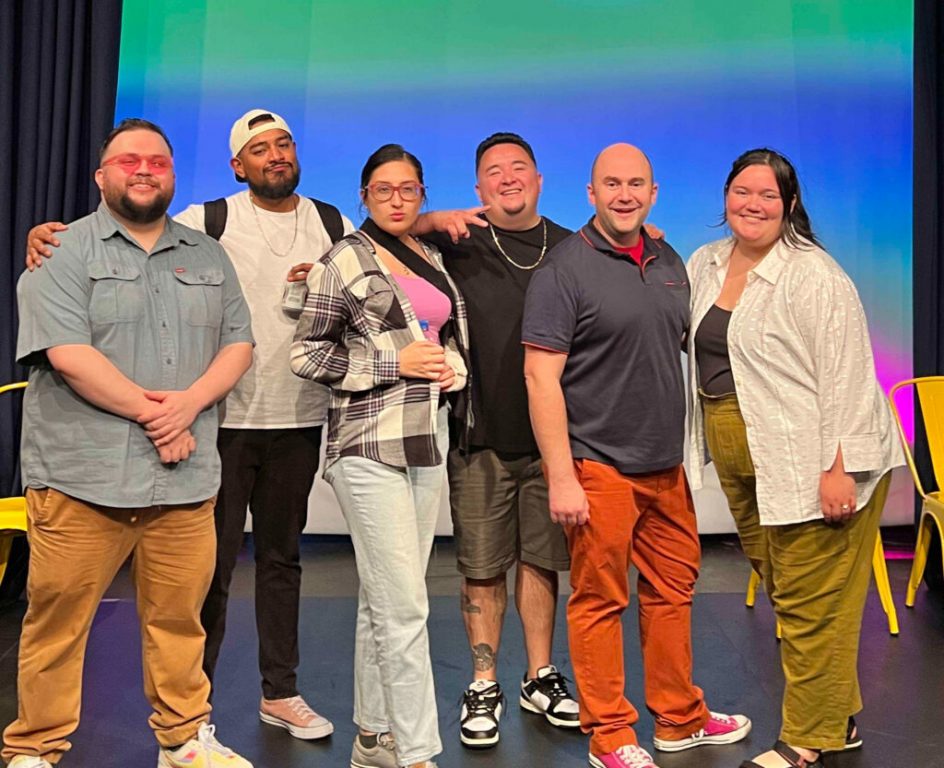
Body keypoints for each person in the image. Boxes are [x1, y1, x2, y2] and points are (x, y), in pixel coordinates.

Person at [24, 108, 353, 741]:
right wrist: (44, 236)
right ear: (237, 164)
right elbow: (114, 244)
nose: (275, 155)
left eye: (283, 143)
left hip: (294, 418)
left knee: (278, 562)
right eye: (259, 148)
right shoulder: (208, 221)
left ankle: (263, 699)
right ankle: (152, 729)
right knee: (203, 581)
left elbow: (384, 250)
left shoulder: (331, 222)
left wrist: (432, 219)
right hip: (213, 426)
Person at [4, 119, 255, 768]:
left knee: (179, 623)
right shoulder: (59, 252)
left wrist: (191, 405)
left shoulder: (207, 255)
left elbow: (238, 344)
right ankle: (35, 748)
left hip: (184, 482)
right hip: (81, 480)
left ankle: (182, 740)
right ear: (101, 176)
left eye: (158, 162)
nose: (144, 170)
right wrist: (160, 416)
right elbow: (67, 354)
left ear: (173, 174)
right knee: (56, 625)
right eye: (128, 161)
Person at [522, 143, 750, 768]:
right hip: (598, 466)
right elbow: (541, 378)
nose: (625, 194)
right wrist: (562, 476)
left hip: (663, 465)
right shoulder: (562, 271)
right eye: (611, 184)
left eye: (636, 184)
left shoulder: (668, 258)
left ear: (654, 193)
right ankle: (612, 735)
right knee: (600, 600)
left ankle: (678, 720)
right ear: (590, 194)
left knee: (674, 591)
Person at [686, 148, 903, 768]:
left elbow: (851, 377)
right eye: (741, 192)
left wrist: (842, 468)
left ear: (789, 205)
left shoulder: (814, 275)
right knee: (791, 592)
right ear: (725, 195)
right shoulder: (706, 262)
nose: (752, 205)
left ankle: (808, 738)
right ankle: (838, 715)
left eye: (768, 196)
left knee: (811, 602)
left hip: (815, 460)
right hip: (744, 455)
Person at [290, 144, 469, 768]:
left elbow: (441, 339)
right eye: (384, 190)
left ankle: (373, 737)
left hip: (426, 440)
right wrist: (392, 363)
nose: (398, 199)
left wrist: (454, 368)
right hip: (366, 445)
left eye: (409, 189)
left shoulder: (432, 257)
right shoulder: (342, 260)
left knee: (386, 597)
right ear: (363, 196)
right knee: (406, 607)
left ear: (422, 194)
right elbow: (307, 355)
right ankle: (419, 753)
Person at [416, 133, 579, 748]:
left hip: (552, 444)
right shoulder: (454, 241)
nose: (507, 178)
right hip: (478, 436)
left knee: (541, 560)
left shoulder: (570, 247)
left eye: (519, 168)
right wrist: (433, 216)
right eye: (493, 171)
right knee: (481, 567)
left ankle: (540, 675)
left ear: (539, 179)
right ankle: (484, 681)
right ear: (478, 187)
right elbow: (383, 224)